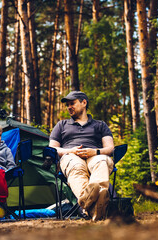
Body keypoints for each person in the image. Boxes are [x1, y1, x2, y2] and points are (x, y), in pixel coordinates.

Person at [49, 91, 114, 221]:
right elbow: (52, 148)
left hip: (94, 155)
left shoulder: (100, 125)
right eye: (67, 105)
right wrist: (70, 151)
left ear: (84, 103)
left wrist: (95, 152)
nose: (69, 107)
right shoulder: (61, 125)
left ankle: (90, 206)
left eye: (72, 103)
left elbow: (110, 148)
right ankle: (96, 206)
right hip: (71, 156)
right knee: (76, 165)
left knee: (101, 161)